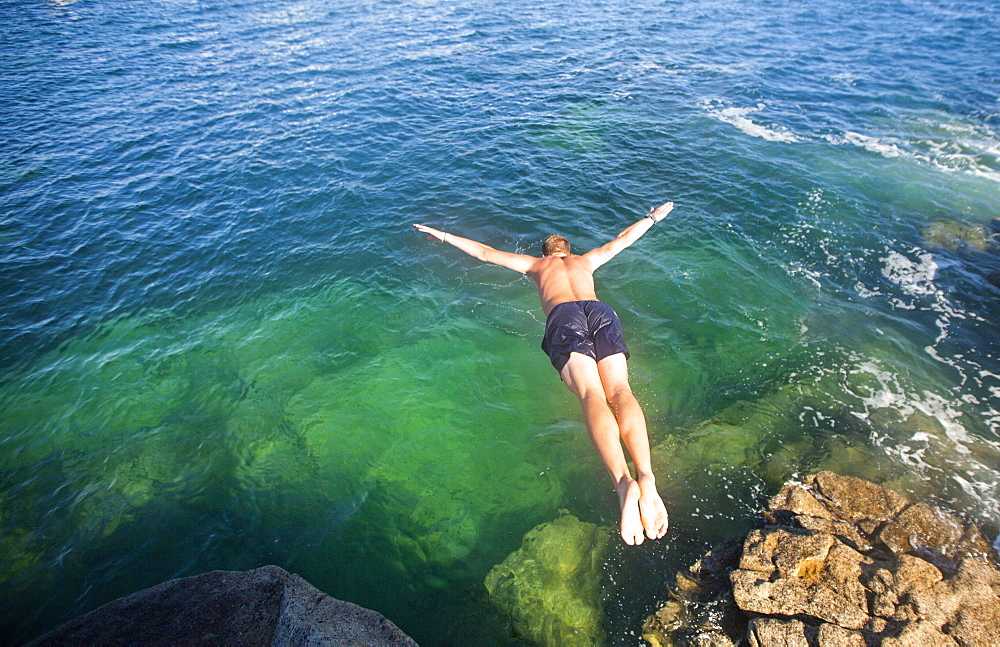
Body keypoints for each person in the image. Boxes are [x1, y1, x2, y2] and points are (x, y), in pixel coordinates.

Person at [413, 201, 673, 545]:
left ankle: (624, 484)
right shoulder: (586, 260)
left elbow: (486, 253)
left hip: (565, 318)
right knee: (621, 392)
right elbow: (623, 240)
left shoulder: (536, 265)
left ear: (546, 253)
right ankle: (646, 476)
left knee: (591, 395)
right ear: (568, 251)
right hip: (600, 312)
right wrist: (653, 217)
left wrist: (443, 235)